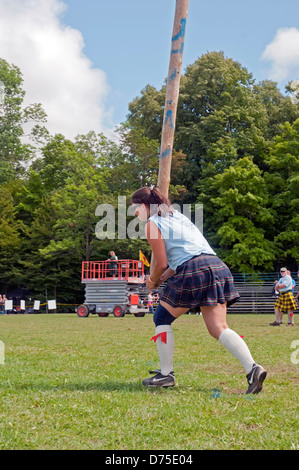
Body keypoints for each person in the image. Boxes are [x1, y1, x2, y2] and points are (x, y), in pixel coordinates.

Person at [131, 186, 267, 394]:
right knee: (218, 328)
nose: (134, 214)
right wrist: (160, 279)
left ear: (143, 206)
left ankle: (166, 375)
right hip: (215, 265)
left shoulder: (152, 224)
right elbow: (176, 262)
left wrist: (153, 280)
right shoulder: (178, 217)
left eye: (134, 209)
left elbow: (161, 263)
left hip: (194, 269)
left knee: (161, 318)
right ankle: (253, 369)